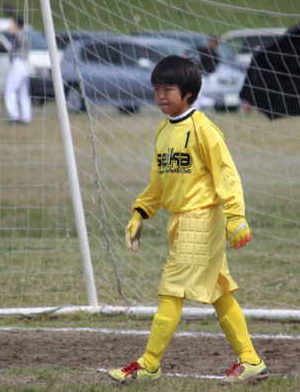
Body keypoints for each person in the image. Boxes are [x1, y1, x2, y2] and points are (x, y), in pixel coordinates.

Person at [107, 55, 268, 384]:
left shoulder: (203, 128)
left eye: (168, 89)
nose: (160, 96)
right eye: (156, 89)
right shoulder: (162, 130)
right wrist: (140, 212)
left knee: (171, 290)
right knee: (220, 291)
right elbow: (157, 183)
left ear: (189, 92)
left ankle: (149, 363)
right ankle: (251, 360)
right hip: (179, 222)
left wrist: (236, 217)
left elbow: (227, 174)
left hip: (203, 220)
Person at [4, 15, 31, 124]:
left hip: (19, 64)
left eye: (12, 23)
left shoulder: (19, 33)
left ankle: (14, 116)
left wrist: (13, 25)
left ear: (16, 25)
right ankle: (26, 117)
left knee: (10, 90)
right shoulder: (23, 33)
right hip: (24, 64)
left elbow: (12, 33)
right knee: (23, 93)